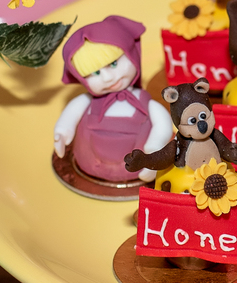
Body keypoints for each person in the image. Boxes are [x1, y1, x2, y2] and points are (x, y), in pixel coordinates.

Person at [53, 17, 173, 183]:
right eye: (96, 73)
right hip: (90, 163)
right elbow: (70, 116)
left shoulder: (147, 103)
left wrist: (155, 149)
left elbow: (163, 125)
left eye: (114, 64)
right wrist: (62, 131)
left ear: (131, 54)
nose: (108, 78)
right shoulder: (85, 101)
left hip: (140, 165)